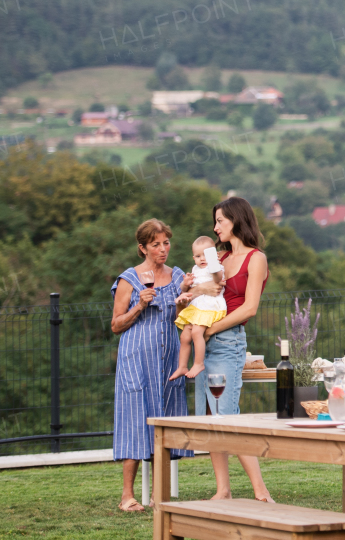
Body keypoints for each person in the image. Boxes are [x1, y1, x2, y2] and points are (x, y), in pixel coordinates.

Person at [111, 218, 195, 513]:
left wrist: (185, 297)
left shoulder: (177, 276)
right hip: (136, 358)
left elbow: (184, 316)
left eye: (166, 243)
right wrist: (139, 306)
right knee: (135, 419)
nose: (163, 249)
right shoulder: (129, 279)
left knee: (166, 420)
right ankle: (127, 497)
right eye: (156, 244)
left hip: (170, 357)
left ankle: (161, 496)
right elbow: (115, 325)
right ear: (143, 247)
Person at [195, 196, 274, 503]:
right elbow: (203, 290)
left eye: (220, 221)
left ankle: (260, 490)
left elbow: (250, 308)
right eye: (215, 222)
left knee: (227, 415)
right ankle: (223, 489)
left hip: (227, 342)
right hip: (205, 341)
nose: (215, 228)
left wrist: (211, 329)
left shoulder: (256, 259)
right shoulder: (218, 259)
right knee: (210, 418)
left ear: (237, 220)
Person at [170, 236, 226, 381]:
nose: (202, 259)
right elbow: (185, 289)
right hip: (197, 308)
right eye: (198, 256)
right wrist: (185, 283)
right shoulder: (196, 269)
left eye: (206, 255)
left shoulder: (216, 267)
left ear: (214, 256)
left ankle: (198, 363)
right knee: (184, 336)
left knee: (196, 332)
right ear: (193, 257)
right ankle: (182, 366)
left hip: (211, 307)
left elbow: (218, 278)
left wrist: (213, 260)